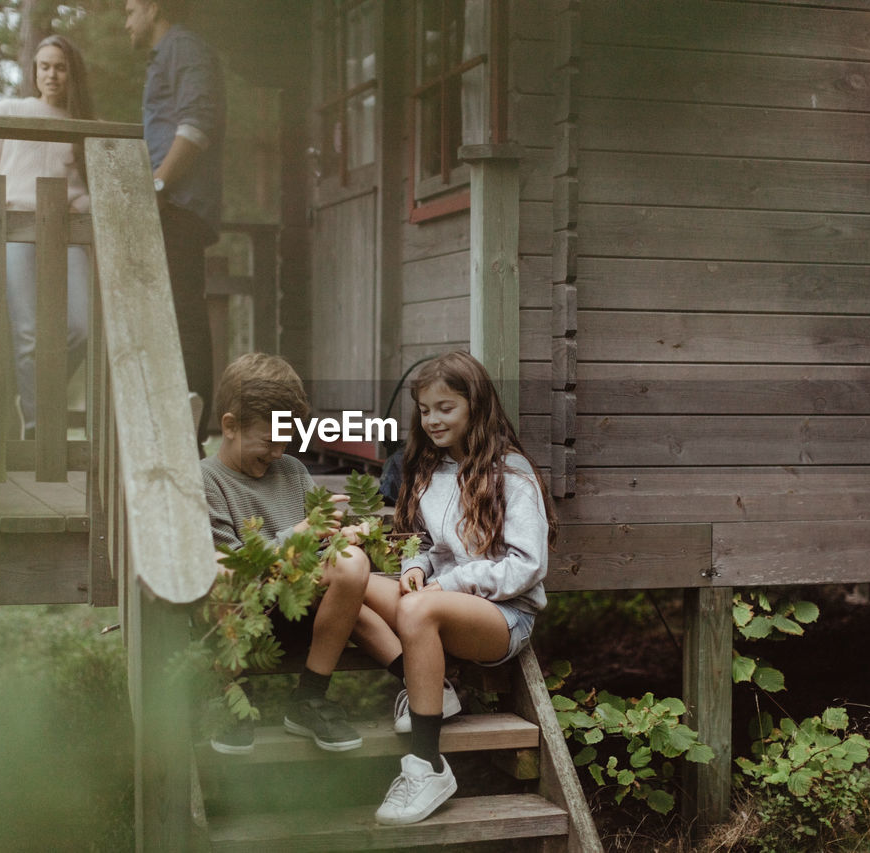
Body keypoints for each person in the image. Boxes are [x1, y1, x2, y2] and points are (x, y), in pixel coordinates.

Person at [355, 350, 558, 826]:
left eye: (445, 408)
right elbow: (426, 542)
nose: (432, 420)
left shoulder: (511, 474)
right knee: (354, 585)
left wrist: (448, 584)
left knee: (419, 612)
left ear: (475, 408)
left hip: (504, 617)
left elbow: (527, 566)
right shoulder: (428, 471)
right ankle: (427, 685)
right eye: (425, 410)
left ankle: (427, 764)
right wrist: (417, 569)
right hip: (440, 603)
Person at [201, 353, 374, 753]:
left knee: (353, 563)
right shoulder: (208, 480)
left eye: (286, 438)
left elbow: (311, 551)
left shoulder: (293, 472)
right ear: (230, 426)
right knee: (223, 575)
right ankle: (230, 697)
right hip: (245, 617)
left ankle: (310, 697)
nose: (279, 451)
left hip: (301, 611)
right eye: (270, 439)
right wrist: (296, 535)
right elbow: (232, 566)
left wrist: (341, 535)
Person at [0, 34, 93, 440]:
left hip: (67, 232)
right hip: (16, 230)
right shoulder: (8, 110)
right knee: (28, 332)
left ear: (72, 73)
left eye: (61, 67)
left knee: (81, 327)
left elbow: (89, 188)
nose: (52, 74)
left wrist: (83, 204)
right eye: (45, 66)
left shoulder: (83, 124)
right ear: (34, 71)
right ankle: (37, 426)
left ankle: (38, 391)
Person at [124, 0, 224, 452]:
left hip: (178, 205)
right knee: (170, 313)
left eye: (130, 9)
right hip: (170, 204)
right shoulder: (166, 55)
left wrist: (158, 185)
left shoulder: (185, 47)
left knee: (183, 314)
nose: (126, 20)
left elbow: (197, 125)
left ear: (153, 6)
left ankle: (190, 434)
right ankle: (174, 425)